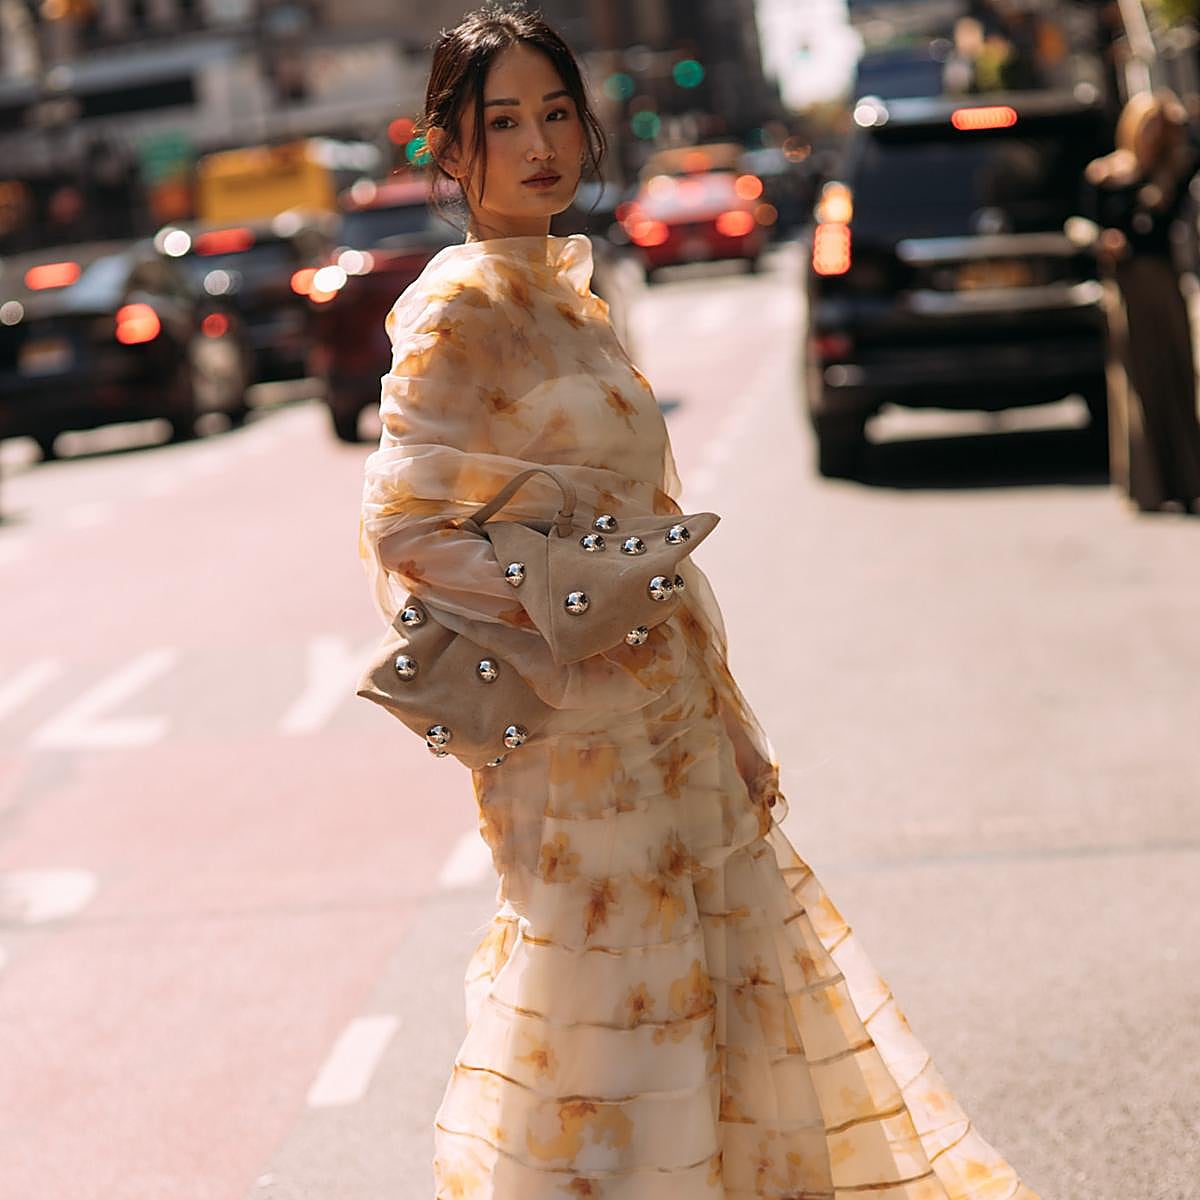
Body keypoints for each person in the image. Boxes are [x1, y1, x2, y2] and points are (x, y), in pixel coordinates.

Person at [358, 6, 1044, 1196]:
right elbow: (407, 531)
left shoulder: (573, 294)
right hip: (571, 755)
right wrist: (571, 602)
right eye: (503, 122)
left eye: (557, 113)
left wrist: (724, 716)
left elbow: (656, 545)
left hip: (671, 723)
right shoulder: (457, 309)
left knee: (716, 1011)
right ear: (448, 152)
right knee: (601, 1020)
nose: (539, 145)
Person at [1084, 89, 1200, 514]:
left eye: (1159, 125)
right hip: (1126, 285)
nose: (1152, 133)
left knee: (1178, 375)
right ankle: (1148, 483)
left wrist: (1178, 116)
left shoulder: (1172, 171)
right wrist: (1103, 241)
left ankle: (1188, 478)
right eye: (1146, 123)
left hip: (1163, 280)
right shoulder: (1105, 175)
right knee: (1139, 380)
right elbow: (1087, 224)